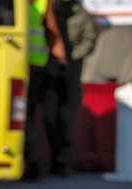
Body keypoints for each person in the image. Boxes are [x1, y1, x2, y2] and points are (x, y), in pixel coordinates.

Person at [42, 0, 99, 176]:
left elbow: (90, 40)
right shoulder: (50, 12)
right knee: (49, 114)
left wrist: (72, 57)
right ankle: (47, 158)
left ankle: (62, 162)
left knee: (67, 117)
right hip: (49, 69)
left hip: (71, 73)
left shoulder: (82, 16)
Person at [24, 0, 66, 179]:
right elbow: (52, 30)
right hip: (37, 64)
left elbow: (51, 28)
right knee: (33, 117)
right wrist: (61, 58)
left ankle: (32, 165)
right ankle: (35, 165)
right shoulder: (42, 3)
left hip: (24, 65)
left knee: (28, 118)